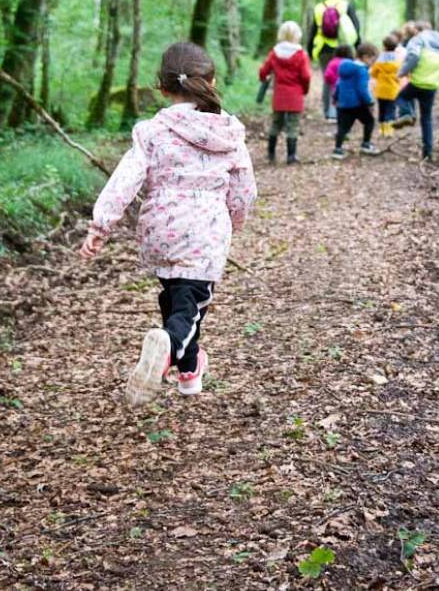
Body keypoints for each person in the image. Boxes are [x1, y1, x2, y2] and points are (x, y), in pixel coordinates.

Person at [80, 42, 258, 406]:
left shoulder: (151, 131)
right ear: (211, 81)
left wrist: (100, 227)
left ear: (161, 87)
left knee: (177, 298)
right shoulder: (228, 133)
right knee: (190, 306)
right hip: (205, 230)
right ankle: (170, 350)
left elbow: (124, 181)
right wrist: (234, 221)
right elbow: (244, 189)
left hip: (161, 229)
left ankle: (189, 371)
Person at [395, 21, 439, 160]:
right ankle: (428, 152)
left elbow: (414, 57)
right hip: (432, 86)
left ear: (418, 30)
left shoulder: (418, 39)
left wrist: (402, 73)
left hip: (417, 82)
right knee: (426, 118)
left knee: (401, 97)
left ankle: (406, 113)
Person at [258, 20, 312, 165]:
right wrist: (304, 89)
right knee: (293, 126)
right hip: (295, 95)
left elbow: (263, 71)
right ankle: (291, 156)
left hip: (279, 95)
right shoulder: (301, 54)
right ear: (298, 36)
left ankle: (271, 154)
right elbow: (306, 76)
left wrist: (264, 78)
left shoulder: (274, 53)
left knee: (276, 123)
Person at [307, 0, 362, 120]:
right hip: (343, 48)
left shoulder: (319, 7)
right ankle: (341, 110)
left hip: (322, 47)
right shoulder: (346, 5)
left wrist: (309, 50)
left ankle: (327, 112)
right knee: (343, 77)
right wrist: (358, 47)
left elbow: (313, 30)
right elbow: (355, 27)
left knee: (328, 78)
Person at [331, 42, 381, 159]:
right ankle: (366, 144)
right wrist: (369, 102)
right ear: (365, 57)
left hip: (343, 104)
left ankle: (337, 149)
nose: (373, 63)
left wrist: (335, 97)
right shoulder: (362, 71)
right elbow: (362, 89)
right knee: (369, 121)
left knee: (343, 127)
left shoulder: (345, 67)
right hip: (357, 104)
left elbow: (338, 84)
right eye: (372, 60)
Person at [370, 33, 403, 137]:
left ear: (384, 46)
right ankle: (389, 131)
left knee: (382, 110)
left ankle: (382, 130)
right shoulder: (398, 61)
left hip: (381, 90)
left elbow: (373, 73)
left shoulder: (379, 60)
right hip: (393, 91)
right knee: (391, 110)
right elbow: (401, 74)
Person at [322, 43, 351, 116]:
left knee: (334, 101)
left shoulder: (333, 62)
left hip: (334, 87)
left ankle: (333, 116)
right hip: (347, 88)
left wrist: (333, 81)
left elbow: (327, 75)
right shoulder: (350, 63)